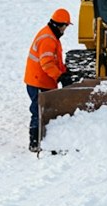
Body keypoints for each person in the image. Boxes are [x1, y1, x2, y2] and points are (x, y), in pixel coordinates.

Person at [23, 8, 73, 152]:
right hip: (38, 81)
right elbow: (47, 63)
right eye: (66, 26)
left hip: (43, 80)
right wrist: (60, 76)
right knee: (38, 111)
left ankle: (42, 138)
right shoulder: (48, 39)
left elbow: (55, 59)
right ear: (61, 25)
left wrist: (64, 71)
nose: (66, 29)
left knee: (44, 110)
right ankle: (34, 142)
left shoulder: (51, 35)